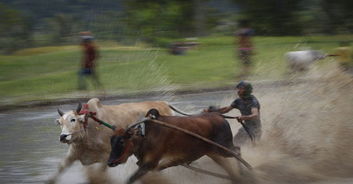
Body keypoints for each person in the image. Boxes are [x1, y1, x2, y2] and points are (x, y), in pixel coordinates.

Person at [205, 81, 261, 146]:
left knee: (249, 145)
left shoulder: (253, 101)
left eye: (240, 89)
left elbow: (255, 115)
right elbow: (226, 110)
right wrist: (211, 111)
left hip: (255, 129)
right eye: (238, 89)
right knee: (235, 142)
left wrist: (244, 117)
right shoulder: (238, 101)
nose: (238, 91)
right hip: (245, 127)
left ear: (247, 90)